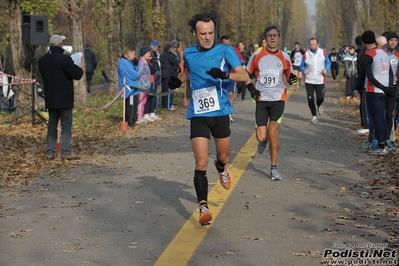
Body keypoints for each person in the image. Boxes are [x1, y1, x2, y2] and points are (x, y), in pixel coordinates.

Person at [166, 11, 250, 225]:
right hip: (199, 114)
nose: (207, 37)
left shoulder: (226, 51)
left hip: (221, 113)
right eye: (203, 33)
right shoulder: (189, 53)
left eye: (211, 32)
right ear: (195, 33)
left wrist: (224, 75)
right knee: (201, 162)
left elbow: (243, 75)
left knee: (223, 158)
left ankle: (221, 169)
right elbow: (188, 74)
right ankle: (203, 207)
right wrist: (178, 81)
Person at [246, 25, 297, 181]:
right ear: (265, 38)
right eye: (269, 35)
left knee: (273, 133)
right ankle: (264, 141)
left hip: (278, 100)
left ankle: (274, 168)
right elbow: (246, 75)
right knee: (261, 137)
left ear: (279, 38)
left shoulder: (285, 57)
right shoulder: (256, 56)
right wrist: (251, 90)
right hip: (261, 100)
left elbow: (290, 76)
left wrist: (292, 79)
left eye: (275, 35)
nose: (273, 38)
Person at [38, 34, 83, 160]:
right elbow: (77, 74)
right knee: (66, 124)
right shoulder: (65, 59)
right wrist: (77, 67)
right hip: (64, 97)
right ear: (60, 45)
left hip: (51, 98)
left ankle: (50, 151)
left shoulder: (42, 60)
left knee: (52, 125)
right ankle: (66, 151)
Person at [358, 30, 394, 155]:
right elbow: (390, 73)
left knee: (377, 119)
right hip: (384, 91)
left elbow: (370, 77)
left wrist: (383, 88)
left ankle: (381, 147)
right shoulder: (384, 53)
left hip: (373, 91)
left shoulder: (368, 56)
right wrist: (388, 87)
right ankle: (384, 143)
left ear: (363, 42)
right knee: (382, 119)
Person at [300, 37, 331, 123]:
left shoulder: (323, 53)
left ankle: (319, 105)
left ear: (317, 44)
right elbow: (302, 65)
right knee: (310, 99)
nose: (312, 46)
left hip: (320, 79)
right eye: (311, 44)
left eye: (314, 44)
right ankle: (314, 116)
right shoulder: (306, 54)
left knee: (320, 98)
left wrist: (326, 70)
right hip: (309, 80)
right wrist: (303, 70)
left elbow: (328, 63)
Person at [117, 46, 140, 127]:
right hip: (130, 88)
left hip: (132, 87)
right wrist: (138, 73)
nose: (134, 56)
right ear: (128, 54)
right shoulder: (124, 63)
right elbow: (134, 75)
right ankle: (130, 121)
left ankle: (131, 120)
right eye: (133, 54)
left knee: (132, 105)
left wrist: (136, 65)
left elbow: (135, 71)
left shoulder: (128, 62)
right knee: (131, 106)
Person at [385, 32, 399, 144]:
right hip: (380, 87)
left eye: (395, 40)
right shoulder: (381, 53)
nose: (393, 42)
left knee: (390, 114)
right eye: (391, 40)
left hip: (393, 88)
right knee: (381, 113)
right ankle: (378, 138)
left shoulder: (398, 55)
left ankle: (390, 138)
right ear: (387, 41)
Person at [355, 35, 369, 134]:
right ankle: (365, 124)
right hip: (364, 81)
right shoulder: (362, 52)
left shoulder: (362, 52)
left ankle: (365, 124)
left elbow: (361, 68)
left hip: (365, 81)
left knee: (364, 104)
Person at [221, 35, 237, 122]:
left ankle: (229, 114)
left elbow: (239, 62)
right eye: (224, 44)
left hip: (231, 75)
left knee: (230, 94)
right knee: (223, 94)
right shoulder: (218, 52)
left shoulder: (232, 51)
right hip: (221, 76)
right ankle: (222, 113)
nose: (226, 46)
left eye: (228, 44)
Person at [160, 42, 180, 110]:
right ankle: (168, 105)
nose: (173, 49)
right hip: (169, 75)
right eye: (172, 48)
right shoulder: (170, 56)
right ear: (169, 49)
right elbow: (176, 62)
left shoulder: (162, 55)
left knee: (164, 90)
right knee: (169, 90)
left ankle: (164, 104)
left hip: (163, 74)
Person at [137, 47, 152, 124]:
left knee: (144, 100)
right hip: (142, 84)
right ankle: (139, 117)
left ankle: (141, 116)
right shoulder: (141, 62)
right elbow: (139, 74)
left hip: (146, 84)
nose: (149, 54)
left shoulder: (146, 62)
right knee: (141, 100)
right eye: (148, 53)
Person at [149, 40, 161, 111]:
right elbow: (153, 67)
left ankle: (154, 109)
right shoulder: (152, 55)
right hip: (154, 77)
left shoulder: (156, 55)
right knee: (152, 94)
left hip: (157, 76)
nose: (157, 48)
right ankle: (152, 110)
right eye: (157, 47)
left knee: (155, 94)